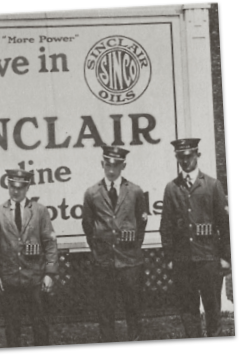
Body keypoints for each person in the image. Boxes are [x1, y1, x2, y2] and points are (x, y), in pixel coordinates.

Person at [160, 138, 231, 338]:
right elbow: (166, 227)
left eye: (188, 156)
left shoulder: (211, 185)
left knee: (212, 310)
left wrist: (225, 257)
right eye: (181, 157)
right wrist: (170, 258)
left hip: (209, 259)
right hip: (184, 261)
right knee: (188, 311)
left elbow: (224, 225)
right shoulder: (172, 188)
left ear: (197, 155)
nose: (185, 161)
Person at [82, 145, 148, 343]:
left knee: (133, 308)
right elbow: (88, 225)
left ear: (123, 165)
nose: (111, 170)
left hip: (129, 262)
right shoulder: (92, 193)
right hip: (104, 262)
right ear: (102, 164)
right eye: (108, 165)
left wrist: (132, 248)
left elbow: (141, 223)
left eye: (116, 165)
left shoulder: (135, 191)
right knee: (105, 310)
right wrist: (99, 250)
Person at [0, 169, 58, 348]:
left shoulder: (39, 211)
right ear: (8, 186)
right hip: (10, 278)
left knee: (39, 323)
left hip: (35, 278)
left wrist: (49, 273)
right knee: (12, 325)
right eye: (12, 186)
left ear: (27, 187)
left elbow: (50, 243)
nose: (15, 191)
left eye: (20, 187)